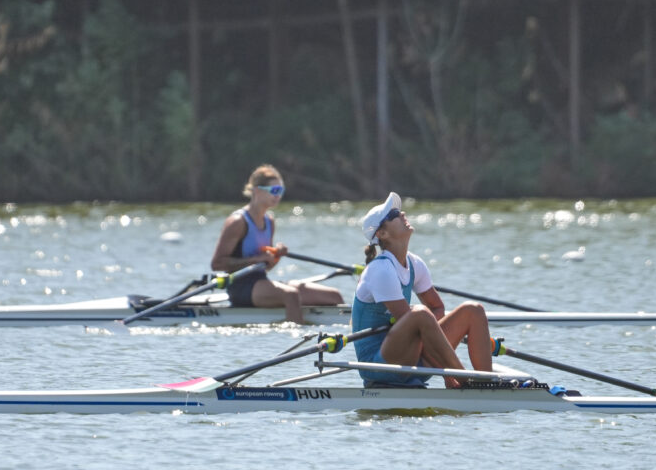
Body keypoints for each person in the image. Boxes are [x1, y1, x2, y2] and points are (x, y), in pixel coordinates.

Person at [351, 192, 494, 389]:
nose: (402, 214)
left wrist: (438, 352)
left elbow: (437, 308)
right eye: (394, 215)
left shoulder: (414, 263)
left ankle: (487, 384)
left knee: (473, 311)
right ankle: (465, 381)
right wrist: (446, 370)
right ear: (382, 234)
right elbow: (415, 321)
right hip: (379, 365)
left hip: (410, 356)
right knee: (419, 314)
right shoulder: (381, 270)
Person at [210, 164, 343, 323]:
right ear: (257, 190)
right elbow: (217, 264)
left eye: (281, 191)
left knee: (334, 296)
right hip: (241, 287)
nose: (278, 196)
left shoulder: (270, 221)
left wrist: (275, 257)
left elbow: (266, 267)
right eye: (274, 190)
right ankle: (297, 334)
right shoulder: (237, 222)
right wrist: (256, 259)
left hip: (261, 282)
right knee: (291, 295)